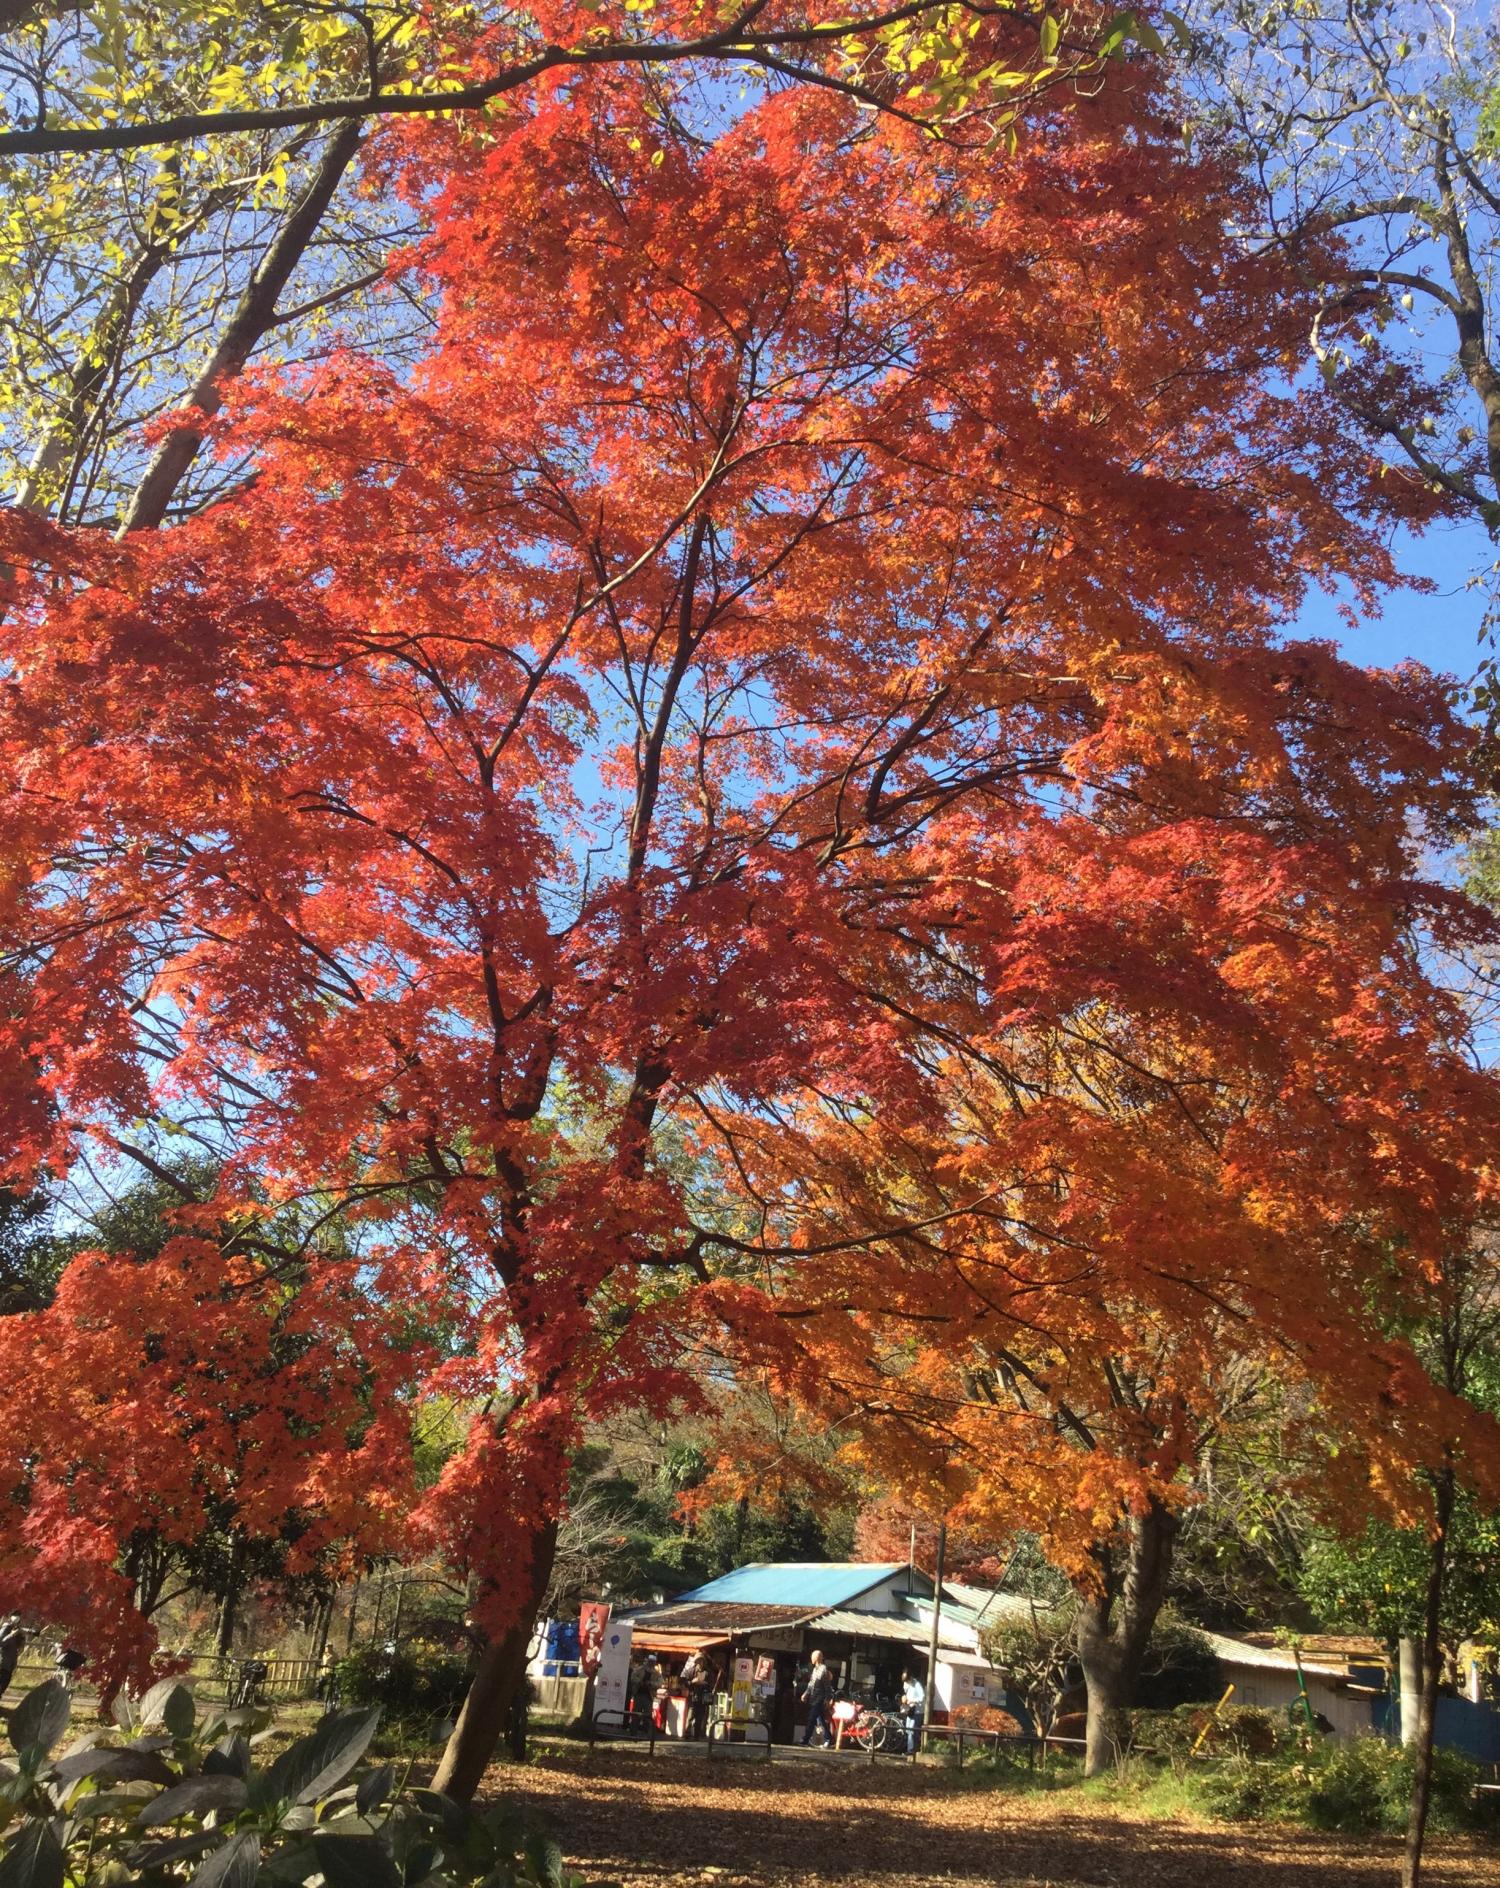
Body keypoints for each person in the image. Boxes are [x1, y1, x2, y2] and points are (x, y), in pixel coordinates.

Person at [800, 1649, 834, 1747]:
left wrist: (828, 1699)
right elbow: (811, 1684)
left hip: (820, 1699)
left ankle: (805, 1739)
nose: (811, 1658)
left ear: (817, 1658)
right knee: (821, 1720)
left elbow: (827, 1686)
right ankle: (829, 1738)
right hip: (814, 1698)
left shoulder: (823, 1670)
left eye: (813, 1656)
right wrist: (805, 1694)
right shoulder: (815, 1669)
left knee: (811, 1719)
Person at [901, 1670, 926, 1755]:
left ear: (910, 1678)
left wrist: (913, 1700)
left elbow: (922, 1697)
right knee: (908, 1729)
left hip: (918, 1711)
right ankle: (911, 1747)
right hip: (910, 1710)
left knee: (911, 1730)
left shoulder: (917, 1684)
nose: (906, 1682)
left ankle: (911, 1750)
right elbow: (905, 1692)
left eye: (907, 1681)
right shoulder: (908, 1684)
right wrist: (905, 1698)